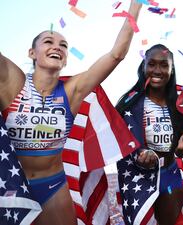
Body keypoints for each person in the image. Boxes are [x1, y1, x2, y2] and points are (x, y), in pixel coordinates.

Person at [0, 2, 142, 224]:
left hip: (53, 188)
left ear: (66, 59)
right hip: (12, 188)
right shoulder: (12, 82)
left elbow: (116, 54)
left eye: (63, 45)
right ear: (31, 53)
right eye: (48, 42)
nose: (57, 47)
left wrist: (135, 7)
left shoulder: (72, 91)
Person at [115, 44, 183, 225]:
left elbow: (181, 149)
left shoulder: (180, 103)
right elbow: (120, 140)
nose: (157, 70)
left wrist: (182, 148)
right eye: (151, 64)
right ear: (143, 67)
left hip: (170, 173)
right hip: (138, 177)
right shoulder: (129, 103)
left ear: (172, 69)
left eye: (164, 65)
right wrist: (141, 153)